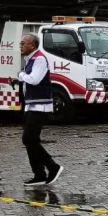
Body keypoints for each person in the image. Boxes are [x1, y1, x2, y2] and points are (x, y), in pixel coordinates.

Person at [16, 34, 63, 186]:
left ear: (32, 45)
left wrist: (21, 75)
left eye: (23, 43)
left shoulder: (40, 58)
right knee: (31, 140)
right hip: (32, 104)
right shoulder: (30, 59)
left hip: (40, 106)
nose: (20, 45)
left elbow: (34, 80)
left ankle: (53, 167)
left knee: (28, 139)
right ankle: (39, 175)